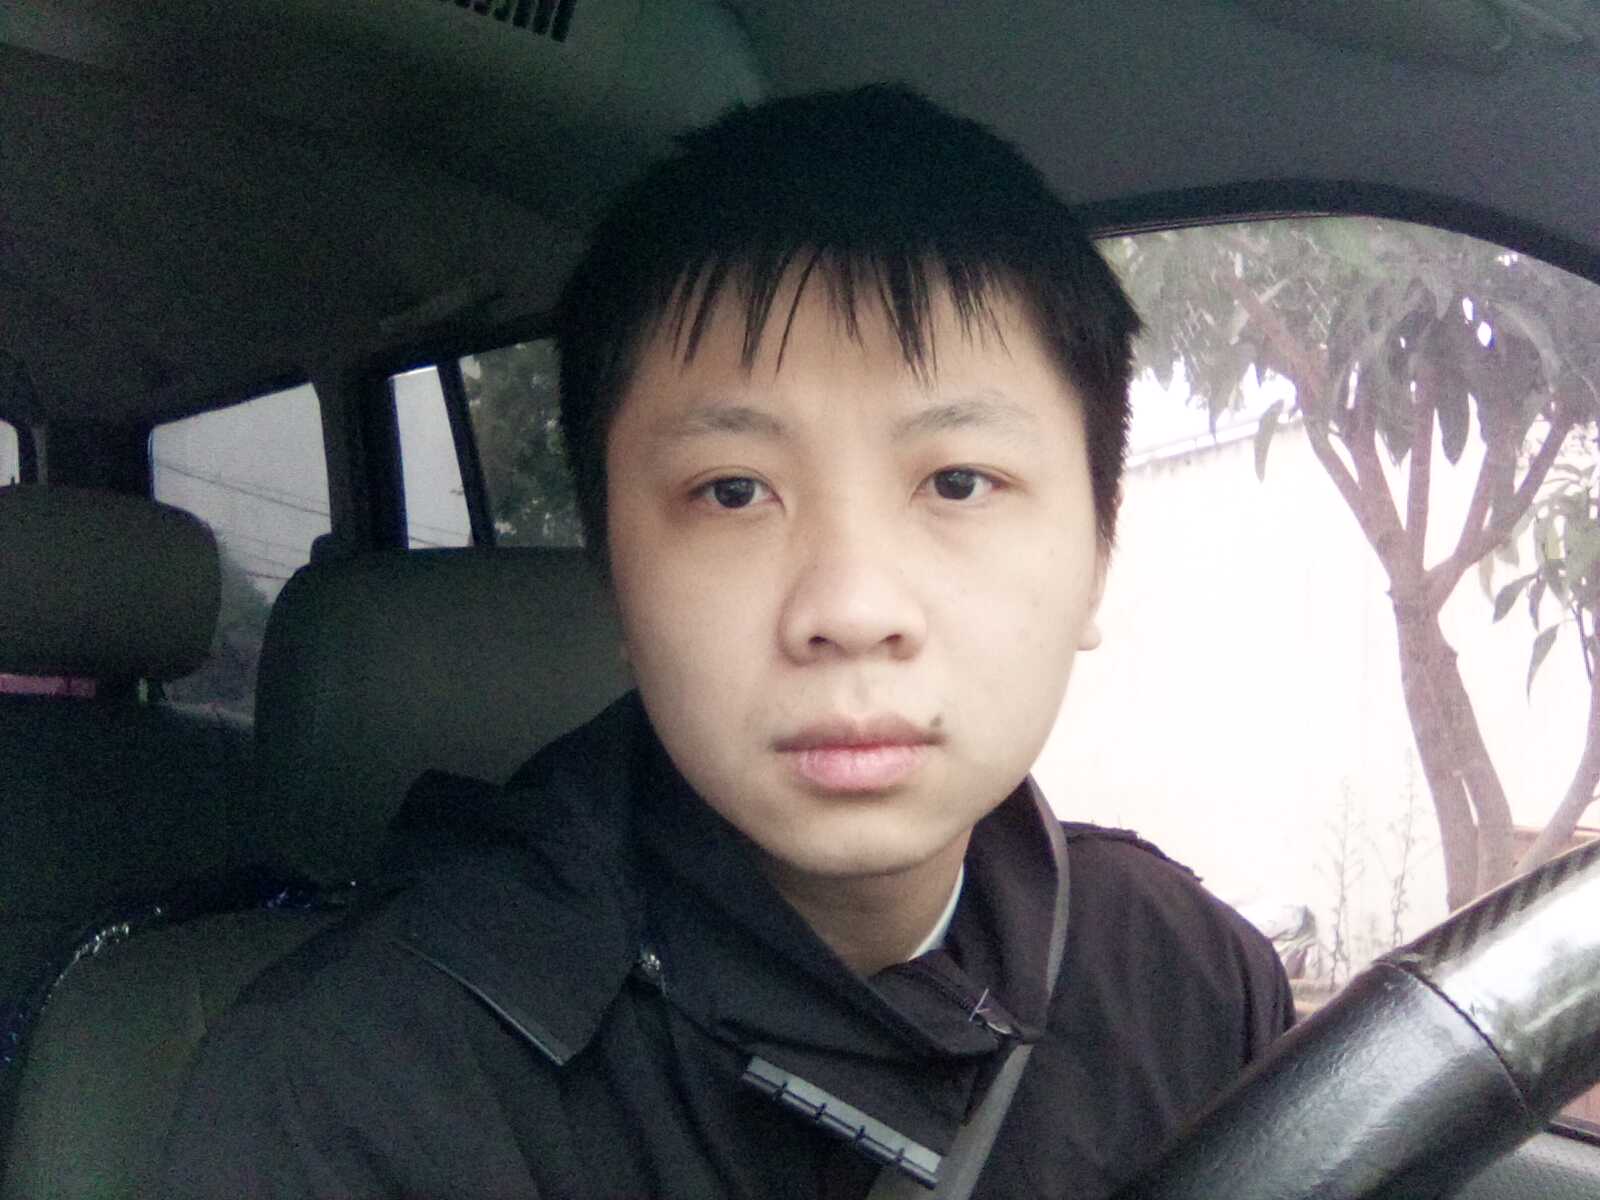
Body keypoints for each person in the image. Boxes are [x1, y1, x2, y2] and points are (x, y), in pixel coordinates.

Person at [162, 84, 1293, 1198]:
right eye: (734, 491)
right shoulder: (354, 1093)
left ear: (1098, 553)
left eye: (958, 481)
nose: (850, 607)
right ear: (616, 579)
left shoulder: (1193, 979)